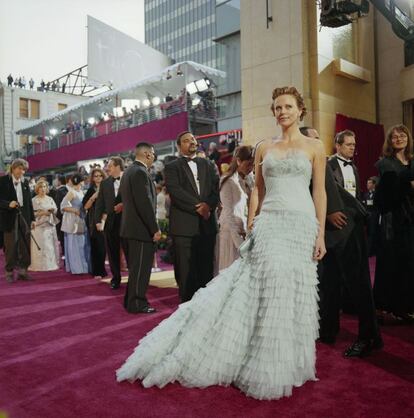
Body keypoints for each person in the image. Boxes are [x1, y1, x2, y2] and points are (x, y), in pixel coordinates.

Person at [116, 86, 327, 400]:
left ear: (300, 110)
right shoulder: (263, 147)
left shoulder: (315, 146)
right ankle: (262, 362)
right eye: (277, 107)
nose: (281, 112)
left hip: (301, 225)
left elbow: (319, 191)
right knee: (267, 289)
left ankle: (291, 362)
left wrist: (320, 232)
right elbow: (259, 190)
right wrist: (255, 219)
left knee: (294, 289)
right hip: (271, 225)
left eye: (287, 106)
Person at [322, 130, 382, 357]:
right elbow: (325, 193)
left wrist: (361, 217)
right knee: (330, 283)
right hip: (331, 230)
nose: (352, 148)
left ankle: (369, 336)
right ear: (337, 145)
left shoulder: (354, 168)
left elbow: (353, 198)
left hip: (352, 228)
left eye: (353, 145)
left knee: (358, 284)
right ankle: (328, 330)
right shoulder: (326, 164)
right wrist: (330, 213)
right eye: (347, 145)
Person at [164, 131, 220, 302]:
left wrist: (208, 205)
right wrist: (199, 207)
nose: (191, 142)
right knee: (185, 270)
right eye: (186, 141)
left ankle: (205, 305)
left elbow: (215, 190)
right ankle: (186, 305)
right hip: (184, 227)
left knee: (206, 268)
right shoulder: (172, 167)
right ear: (179, 147)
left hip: (206, 226)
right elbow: (176, 192)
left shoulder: (208, 164)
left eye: (193, 139)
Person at [373, 124, 414, 322]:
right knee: (392, 263)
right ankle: (387, 307)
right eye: (394, 136)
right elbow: (391, 192)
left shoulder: (412, 161)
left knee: (409, 263)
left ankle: (406, 305)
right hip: (393, 219)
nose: (398, 139)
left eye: (402, 135)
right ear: (389, 141)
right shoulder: (385, 163)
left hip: (411, 217)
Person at [119, 143, 160, 313]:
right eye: (153, 154)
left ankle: (130, 301)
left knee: (135, 269)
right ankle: (137, 303)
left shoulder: (129, 171)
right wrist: (154, 228)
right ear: (148, 154)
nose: (154, 158)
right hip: (141, 230)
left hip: (130, 229)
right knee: (141, 269)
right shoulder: (140, 173)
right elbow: (145, 204)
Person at [217, 145, 254, 271]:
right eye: (248, 164)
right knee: (230, 273)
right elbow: (228, 213)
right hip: (231, 233)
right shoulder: (227, 181)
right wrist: (238, 242)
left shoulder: (249, 179)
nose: (251, 168)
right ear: (238, 161)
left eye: (253, 165)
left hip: (245, 232)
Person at [0, 159, 35, 282]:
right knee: (11, 245)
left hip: (24, 217)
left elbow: (29, 202)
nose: (22, 171)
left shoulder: (25, 183)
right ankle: (9, 272)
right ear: (13, 168)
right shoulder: (3, 181)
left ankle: (23, 271)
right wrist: (8, 204)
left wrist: (33, 219)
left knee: (25, 244)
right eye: (20, 168)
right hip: (9, 217)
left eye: (24, 169)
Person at [95, 157, 127, 289]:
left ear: (118, 166)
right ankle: (116, 278)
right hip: (111, 221)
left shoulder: (128, 179)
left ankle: (134, 278)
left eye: (110, 166)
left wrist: (124, 205)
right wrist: (97, 220)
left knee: (129, 250)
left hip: (127, 220)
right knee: (112, 252)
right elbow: (100, 203)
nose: (108, 168)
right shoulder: (105, 183)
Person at [60, 174, 90, 274]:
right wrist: (75, 210)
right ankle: (76, 268)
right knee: (73, 245)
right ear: (80, 181)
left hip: (80, 220)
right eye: (83, 180)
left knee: (81, 244)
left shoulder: (80, 191)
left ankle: (82, 266)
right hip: (73, 221)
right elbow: (63, 206)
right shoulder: (71, 192)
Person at [29, 180, 60, 271]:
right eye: (41, 187)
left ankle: (51, 264)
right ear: (37, 189)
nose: (43, 189)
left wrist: (52, 211)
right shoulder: (34, 200)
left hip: (49, 225)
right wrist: (43, 212)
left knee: (50, 246)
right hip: (38, 226)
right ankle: (39, 265)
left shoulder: (50, 199)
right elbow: (31, 214)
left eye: (44, 187)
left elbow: (56, 210)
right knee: (41, 245)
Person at [83, 168, 107, 279]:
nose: (98, 178)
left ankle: (102, 269)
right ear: (92, 178)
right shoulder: (90, 190)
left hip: (106, 220)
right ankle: (97, 271)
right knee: (96, 246)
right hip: (93, 221)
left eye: (100, 176)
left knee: (104, 247)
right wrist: (94, 196)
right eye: (96, 176)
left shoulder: (107, 189)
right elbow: (86, 206)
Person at [52, 174, 69, 257]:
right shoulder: (66, 189)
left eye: (55, 179)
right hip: (68, 216)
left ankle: (65, 252)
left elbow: (59, 206)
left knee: (62, 235)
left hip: (62, 217)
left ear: (59, 181)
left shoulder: (60, 191)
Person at [363, 177, 378, 256]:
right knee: (369, 233)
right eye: (367, 183)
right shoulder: (366, 195)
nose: (367, 185)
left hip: (375, 217)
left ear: (373, 184)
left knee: (373, 234)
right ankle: (369, 250)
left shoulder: (377, 194)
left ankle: (372, 251)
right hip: (368, 217)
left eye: (369, 183)